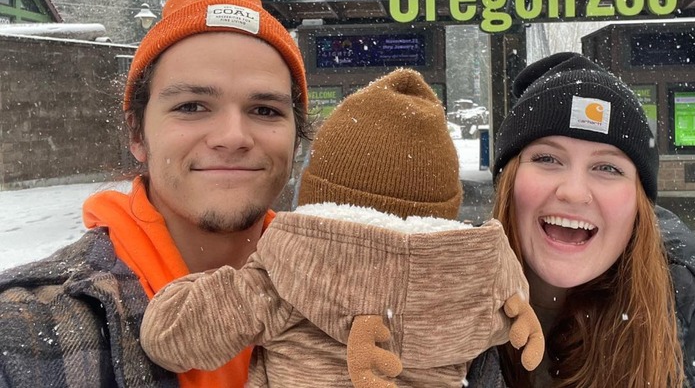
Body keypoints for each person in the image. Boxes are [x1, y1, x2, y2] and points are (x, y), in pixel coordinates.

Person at [138, 68, 544, 387]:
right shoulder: (478, 286)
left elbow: (170, 337)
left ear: (316, 193)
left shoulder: (283, 274)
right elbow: (503, 316)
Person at [0, 0, 311, 387]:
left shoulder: (346, 294)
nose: (233, 137)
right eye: (193, 106)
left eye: (266, 110)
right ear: (137, 135)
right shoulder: (27, 327)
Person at [464, 52, 695, 387]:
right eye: (547, 158)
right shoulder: (421, 327)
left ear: (639, 207)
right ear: (508, 184)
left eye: (608, 167)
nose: (574, 191)